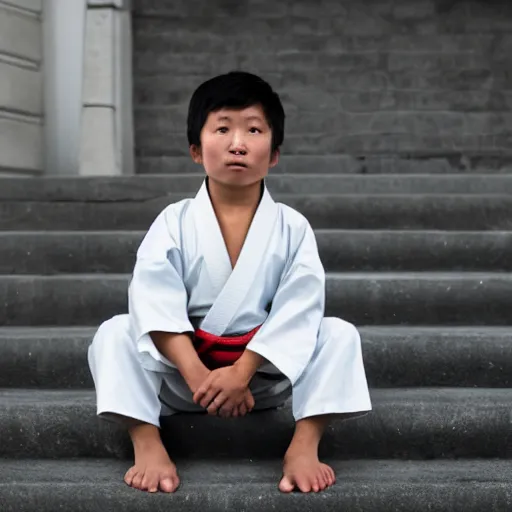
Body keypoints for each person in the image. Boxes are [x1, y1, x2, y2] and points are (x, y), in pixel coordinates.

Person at [88, 71, 371, 495]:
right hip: (185, 378)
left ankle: (304, 444)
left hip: (262, 379)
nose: (238, 143)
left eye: (253, 130)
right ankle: (146, 442)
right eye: (222, 128)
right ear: (196, 150)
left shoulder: (292, 227)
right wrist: (199, 376)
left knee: (339, 334)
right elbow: (154, 300)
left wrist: (242, 373)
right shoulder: (174, 222)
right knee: (113, 332)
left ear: (273, 153)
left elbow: (299, 307)